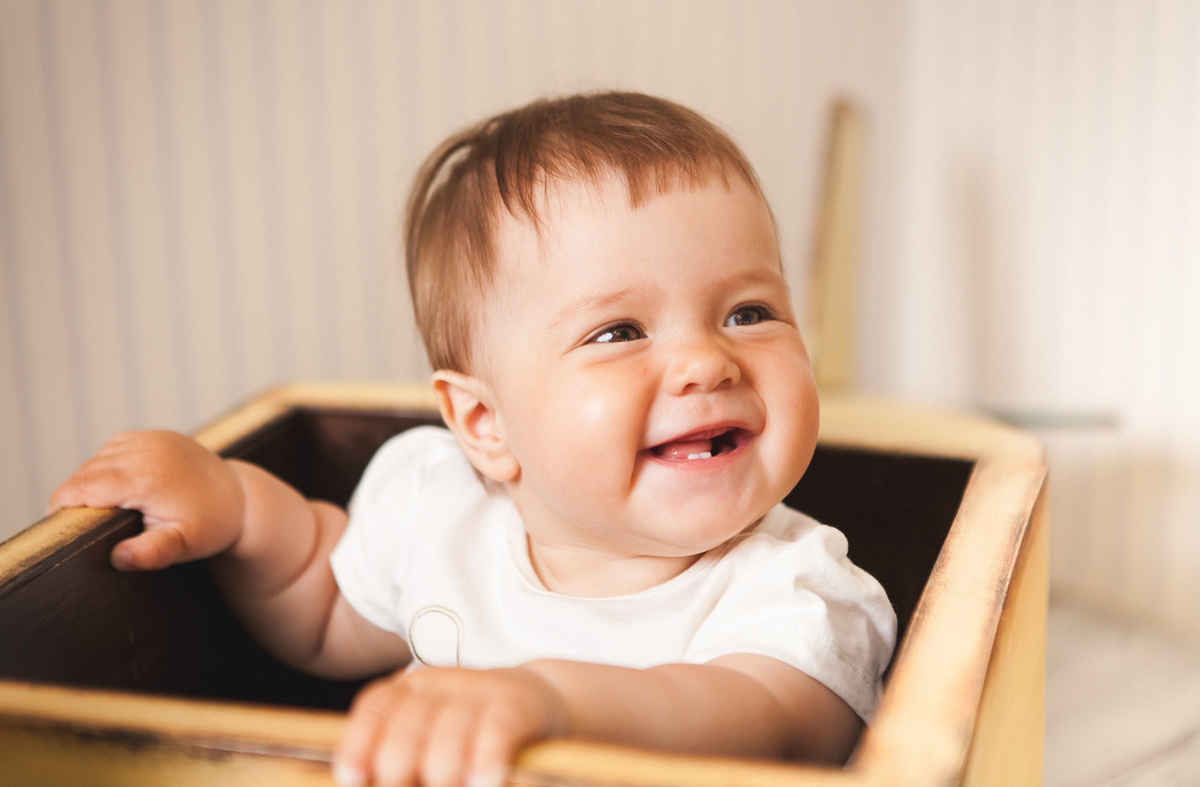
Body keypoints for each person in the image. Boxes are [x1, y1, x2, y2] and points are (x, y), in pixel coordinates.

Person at [50, 91, 896, 787]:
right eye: (619, 331)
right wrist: (234, 505)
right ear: (484, 426)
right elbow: (325, 598)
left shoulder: (799, 591)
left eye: (748, 312)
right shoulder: (438, 507)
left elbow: (760, 720)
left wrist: (549, 702)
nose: (707, 362)